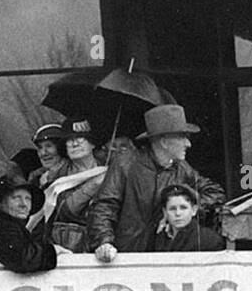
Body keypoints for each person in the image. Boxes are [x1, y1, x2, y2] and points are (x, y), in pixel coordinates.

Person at [88, 104, 223, 261]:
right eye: (182, 137)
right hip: (125, 258)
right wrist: (104, 242)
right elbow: (104, 206)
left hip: (164, 258)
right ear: (164, 142)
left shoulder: (182, 168)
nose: (188, 143)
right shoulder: (125, 164)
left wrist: (179, 208)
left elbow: (214, 192)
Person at [0, 172, 59, 274]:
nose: (24, 204)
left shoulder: (8, 224)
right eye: (16, 198)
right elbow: (21, 258)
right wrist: (53, 251)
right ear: (1, 203)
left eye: (28, 199)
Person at [42, 118, 108, 253]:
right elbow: (66, 210)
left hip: (102, 245)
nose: (74, 143)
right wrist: (95, 183)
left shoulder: (110, 170)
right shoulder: (58, 175)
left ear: (92, 144)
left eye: (81, 138)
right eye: (69, 140)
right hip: (68, 247)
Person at [148, 185, 226, 252]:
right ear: (165, 212)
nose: (178, 213)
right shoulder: (155, 238)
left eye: (183, 208)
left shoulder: (209, 239)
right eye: (172, 209)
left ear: (194, 210)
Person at [26, 123, 68, 190]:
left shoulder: (73, 173)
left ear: (62, 148)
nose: (43, 153)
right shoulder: (35, 178)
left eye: (49, 146)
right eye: (40, 148)